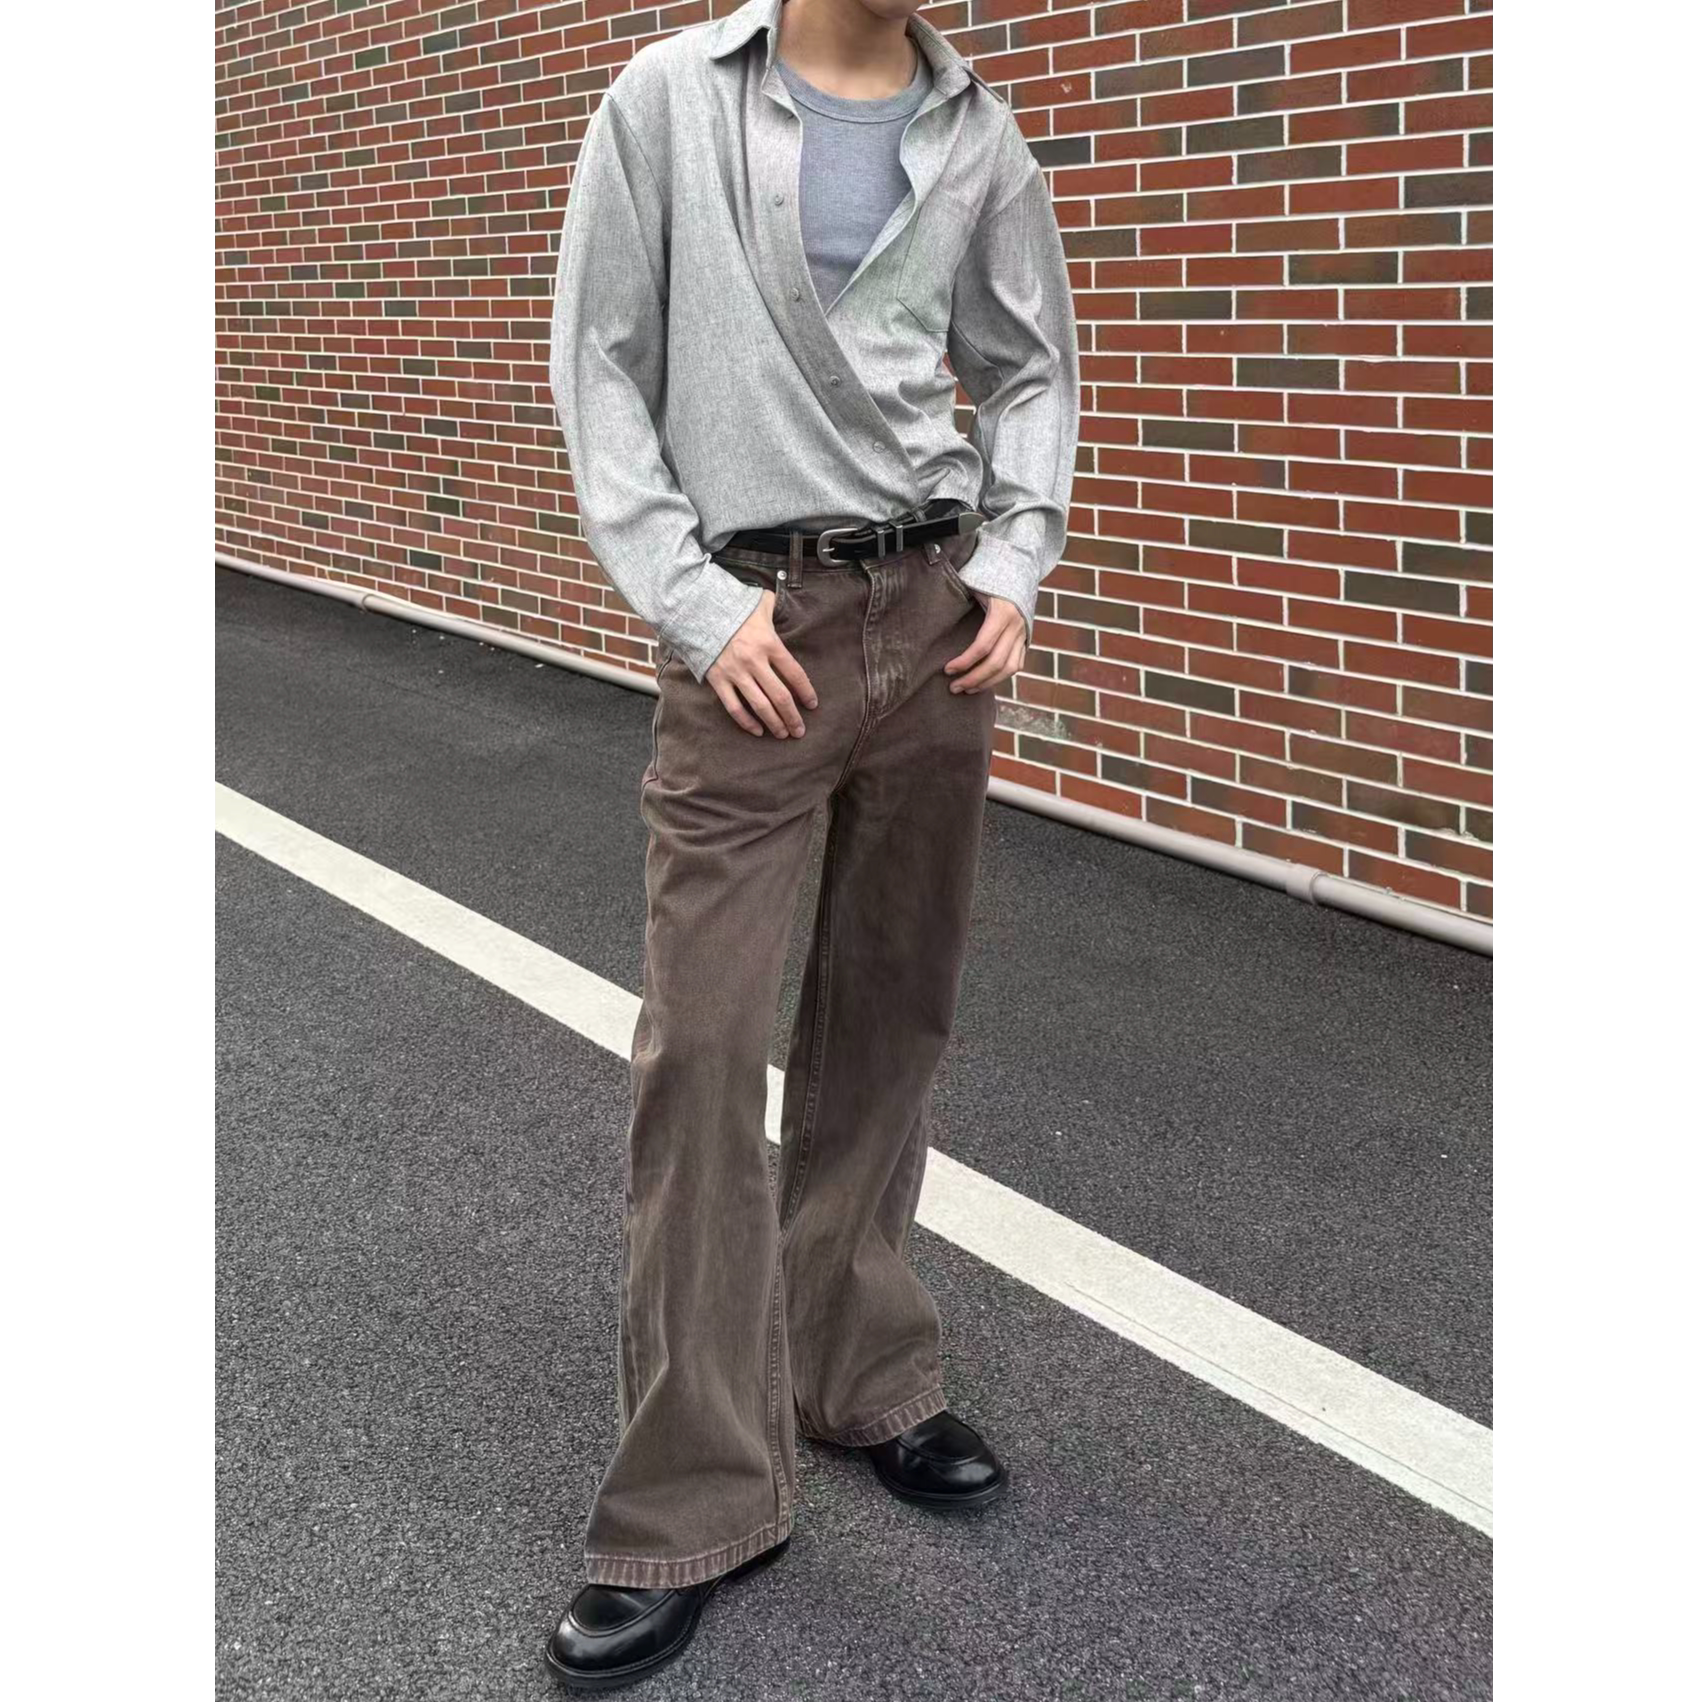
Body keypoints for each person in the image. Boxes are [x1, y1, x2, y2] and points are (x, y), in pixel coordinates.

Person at [544, 0, 1078, 1687]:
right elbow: (600, 365)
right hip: (751, 633)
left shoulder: (975, 133)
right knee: (704, 1048)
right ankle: (693, 1494)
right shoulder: (667, 99)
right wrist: (696, 606)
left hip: (931, 625)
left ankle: (856, 1373)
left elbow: (1030, 365)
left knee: (889, 1021)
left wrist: (1011, 563)